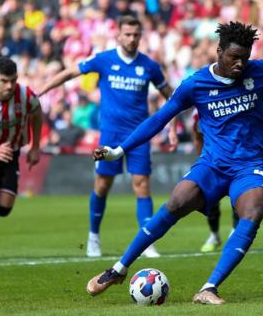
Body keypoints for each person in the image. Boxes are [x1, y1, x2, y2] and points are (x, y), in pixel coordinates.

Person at [85, 22, 263, 304]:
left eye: (245, 58)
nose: (240, 64)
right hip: (212, 165)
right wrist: (118, 150)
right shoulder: (195, 84)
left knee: (254, 209)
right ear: (219, 51)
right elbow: (159, 119)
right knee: (175, 202)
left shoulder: (260, 70)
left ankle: (209, 288)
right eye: (234, 57)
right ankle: (118, 270)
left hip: (249, 167)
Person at [38, 16, 177, 258]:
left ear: (140, 36)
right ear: (119, 36)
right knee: (102, 185)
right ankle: (93, 237)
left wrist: (172, 127)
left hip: (139, 135)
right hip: (110, 135)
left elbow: (172, 97)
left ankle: (147, 241)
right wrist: (42, 90)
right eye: (127, 34)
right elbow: (71, 72)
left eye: (135, 34)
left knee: (142, 185)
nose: (132, 39)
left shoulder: (149, 66)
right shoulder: (104, 60)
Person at [0, 57, 42, 260]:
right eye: (4, 81)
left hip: (10, 153)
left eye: (13, 80)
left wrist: (35, 146)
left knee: (4, 208)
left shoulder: (26, 95)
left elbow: (37, 114)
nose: (10, 86)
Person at [191, 108, 239, 253]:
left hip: (238, 158)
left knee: (238, 195)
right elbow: (198, 137)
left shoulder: (235, 104)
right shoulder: (198, 113)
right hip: (213, 161)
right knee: (210, 199)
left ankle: (235, 231)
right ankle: (214, 235)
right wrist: (202, 160)